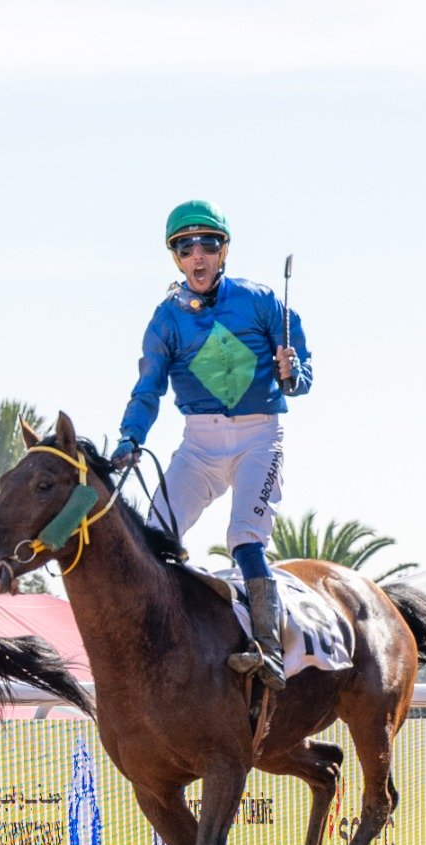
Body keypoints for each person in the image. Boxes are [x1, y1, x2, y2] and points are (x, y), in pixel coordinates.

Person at [109, 199, 312, 689]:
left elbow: (300, 375)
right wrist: (130, 438)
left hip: (259, 436)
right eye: (185, 246)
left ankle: (267, 648)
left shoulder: (262, 300)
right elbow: (148, 389)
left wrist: (293, 373)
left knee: (244, 537)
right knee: (152, 534)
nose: (197, 254)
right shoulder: (165, 319)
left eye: (208, 243)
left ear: (224, 251)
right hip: (198, 445)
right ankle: (148, 644)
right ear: (176, 258)